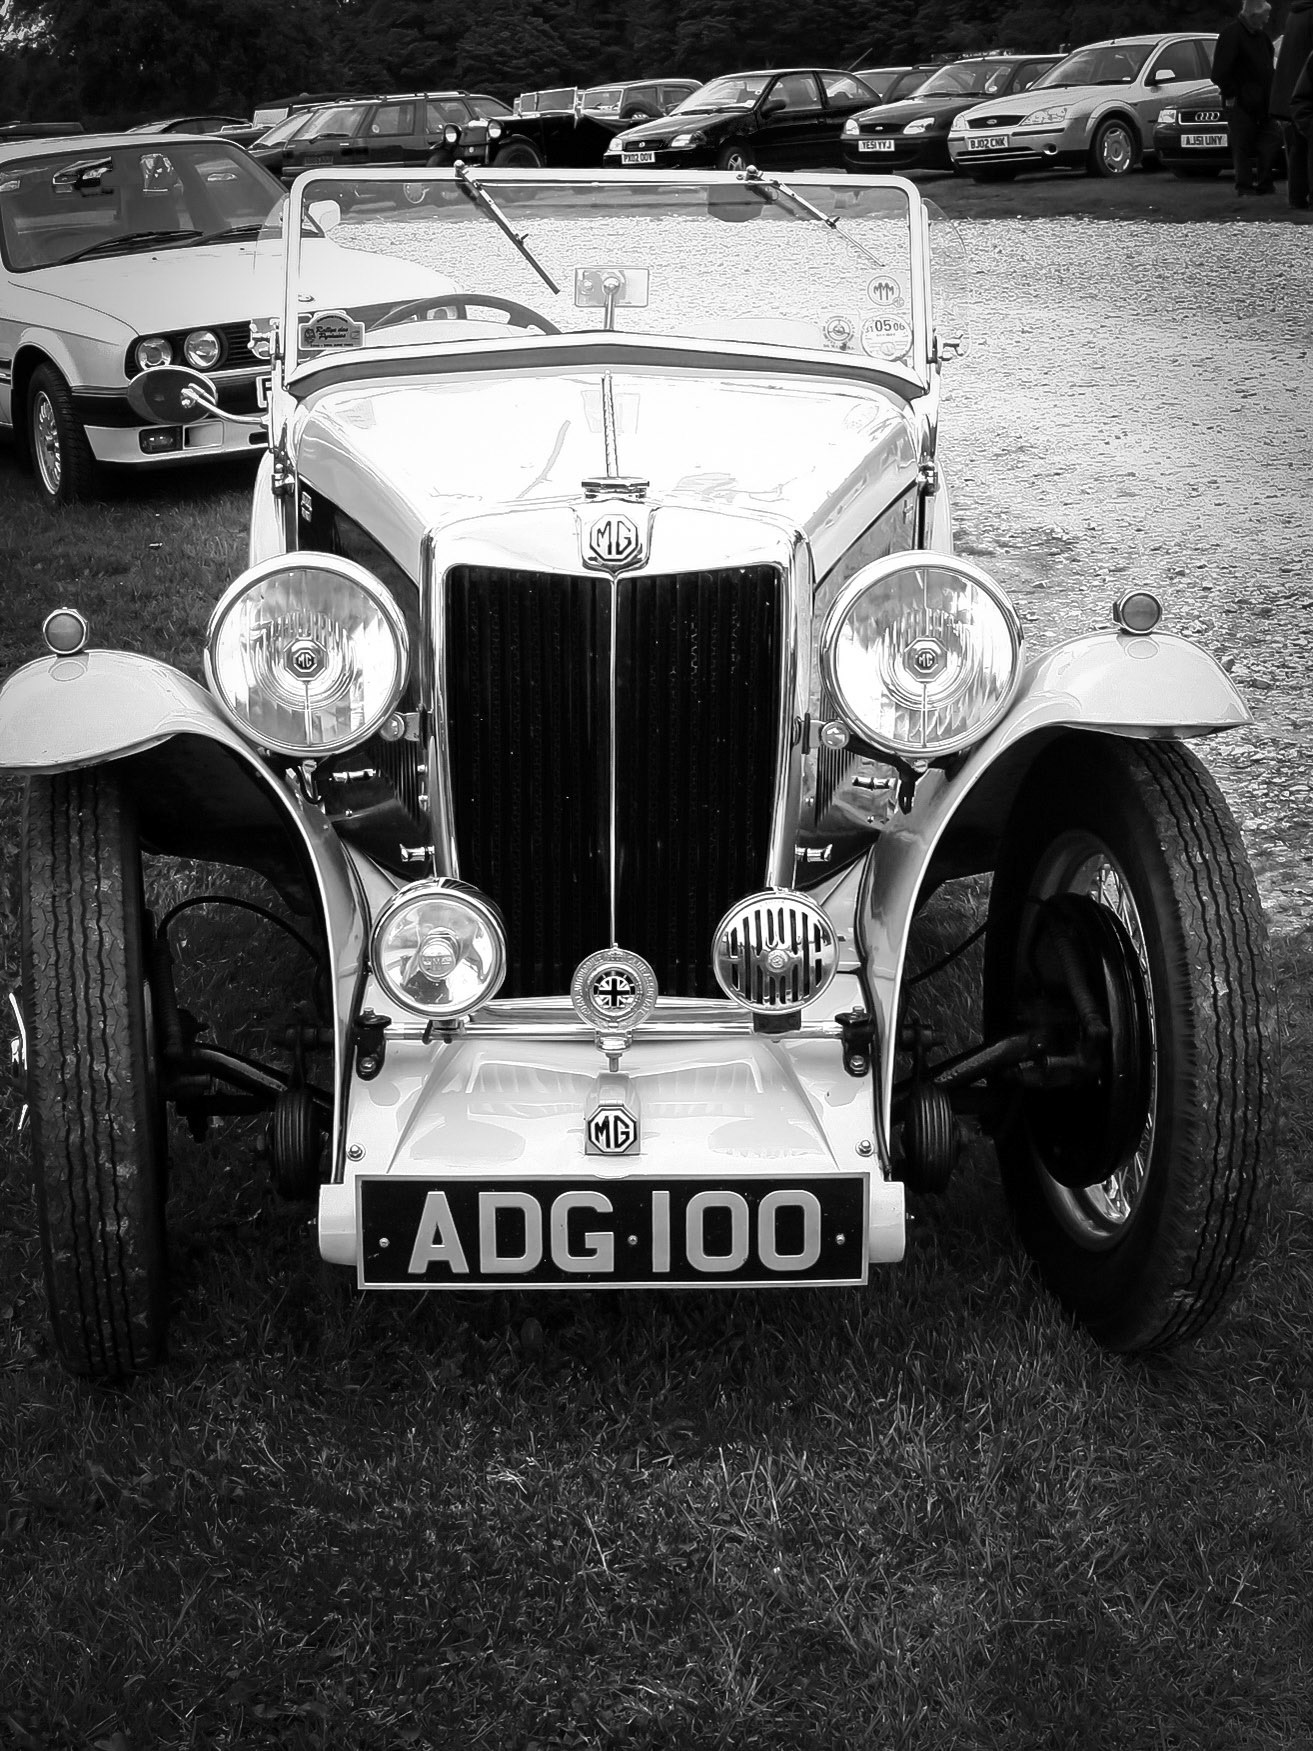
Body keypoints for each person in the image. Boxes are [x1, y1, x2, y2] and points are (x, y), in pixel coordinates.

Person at [1212, 0, 1282, 193]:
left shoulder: (1262, 37)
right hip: (1240, 102)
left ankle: (1265, 182)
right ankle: (1244, 185)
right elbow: (1219, 72)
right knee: (1242, 144)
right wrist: (1232, 93)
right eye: (1265, 16)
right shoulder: (1231, 35)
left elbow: (1268, 67)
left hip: (1263, 102)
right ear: (1254, 15)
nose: (1267, 20)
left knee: (1270, 140)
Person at [1271, 0, 1313, 206]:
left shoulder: (1295, 15)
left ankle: (1297, 197)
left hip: (1291, 91)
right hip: (1305, 89)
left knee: (1297, 149)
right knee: (1306, 149)